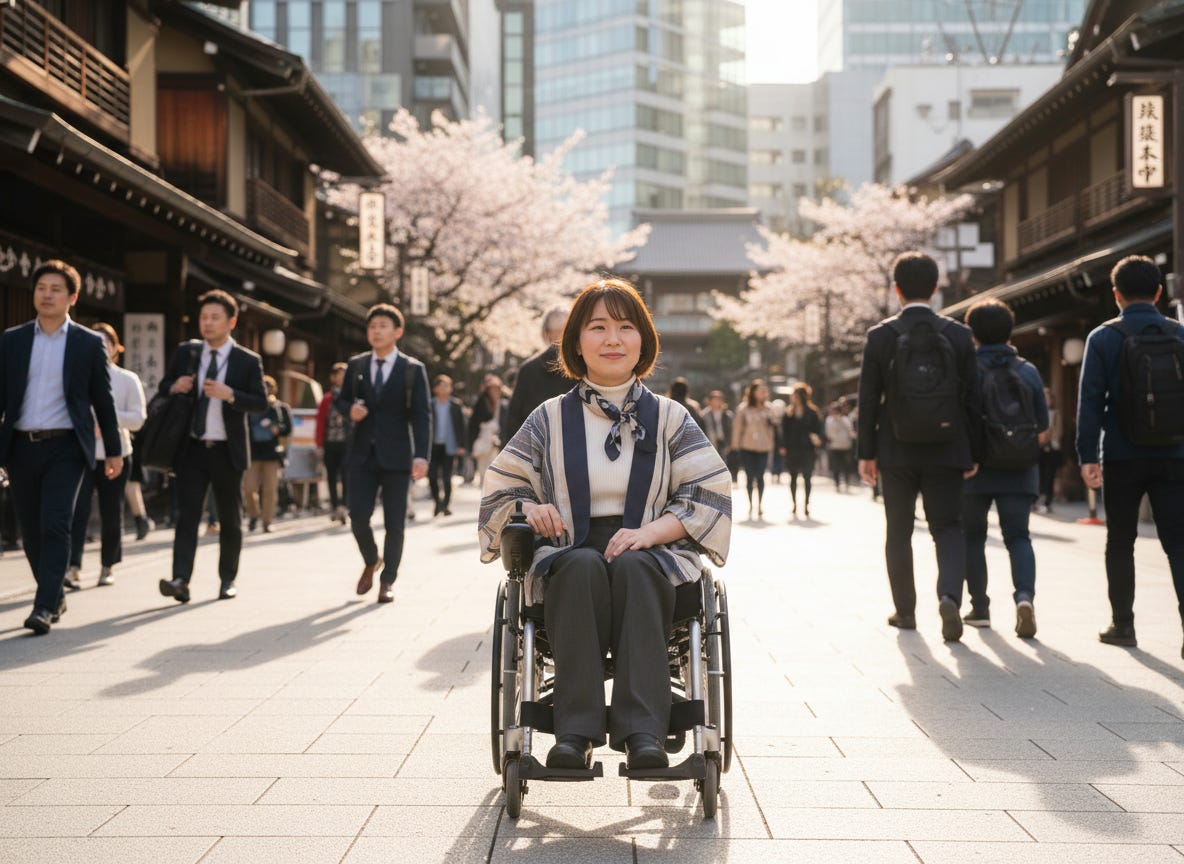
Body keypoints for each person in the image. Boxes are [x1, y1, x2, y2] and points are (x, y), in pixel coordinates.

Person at [478, 277, 731, 772]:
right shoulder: (548, 419)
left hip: (654, 550)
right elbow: (502, 486)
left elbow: (709, 492)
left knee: (635, 568)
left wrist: (651, 533)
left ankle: (645, 733)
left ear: (644, 340)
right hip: (568, 549)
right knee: (580, 568)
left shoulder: (671, 419)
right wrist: (530, 509)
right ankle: (574, 733)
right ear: (575, 342)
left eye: (625, 326)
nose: (612, 339)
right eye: (598, 327)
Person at [857, 252, 981, 642]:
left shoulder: (881, 336)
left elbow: (868, 399)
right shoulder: (959, 335)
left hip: (896, 450)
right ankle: (949, 596)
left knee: (899, 529)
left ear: (896, 289)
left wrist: (865, 453)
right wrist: (972, 451)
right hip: (947, 447)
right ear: (936, 287)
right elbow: (973, 400)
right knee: (947, 526)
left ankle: (906, 612)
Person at [0, 260, 123, 634]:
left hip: (66, 447)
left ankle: (42, 606)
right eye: (41, 288)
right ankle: (54, 594)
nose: (47, 295)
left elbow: (103, 401)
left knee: (56, 523)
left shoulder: (87, 344)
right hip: (21, 445)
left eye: (56, 289)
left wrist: (114, 450)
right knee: (31, 530)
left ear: (72, 297)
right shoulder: (12, 340)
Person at [1076, 255, 1184, 653]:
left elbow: (1090, 401)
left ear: (1116, 294)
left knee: (1120, 541)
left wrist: (1087, 454)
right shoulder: (1179, 333)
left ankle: (1123, 626)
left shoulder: (1104, 337)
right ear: (1158, 292)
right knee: (1179, 541)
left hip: (1121, 454)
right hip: (1175, 452)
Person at [157, 290, 267, 604]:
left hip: (226, 449)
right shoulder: (187, 353)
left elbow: (260, 403)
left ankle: (227, 578)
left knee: (230, 518)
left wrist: (229, 394)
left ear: (231, 321)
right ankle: (180, 579)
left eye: (215, 317)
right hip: (191, 447)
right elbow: (165, 385)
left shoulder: (247, 360)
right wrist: (175, 386)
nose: (207, 323)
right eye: (204, 317)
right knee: (187, 516)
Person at [960, 299, 1048, 638]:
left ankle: (979, 608)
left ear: (973, 333)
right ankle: (1024, 598)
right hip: (1019, 466)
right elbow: (1041, 422)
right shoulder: (1027, 371)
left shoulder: (968, 369)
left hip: (975, 468)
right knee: (1019, 537)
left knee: (973, 538)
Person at [336, 304, 430, 603]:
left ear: (397, 332)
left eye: (383, 326)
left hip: (398, 455)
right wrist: (349, 409)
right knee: (357, 516)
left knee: (394, 523)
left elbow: (421, 415)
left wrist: (421, 455)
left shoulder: (413, 370)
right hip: (362, 454)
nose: (376, 331)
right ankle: (371, 559)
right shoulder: (357, 365)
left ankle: (388, 579)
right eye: (372, 326)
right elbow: (341, 400)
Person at [65, 323, 146, 589]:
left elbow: (138, 418)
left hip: (117, 452)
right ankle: (73, 565)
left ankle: (107, 565)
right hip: (82, 452)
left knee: (112, 511)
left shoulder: (127, 379)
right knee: (78, 511)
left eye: (105, 344)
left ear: (115, 348)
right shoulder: (76, 376)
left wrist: (109, 420)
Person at [506, 307, 571, 438]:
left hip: (536, 447)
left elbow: (513, 421)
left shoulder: (527, 370)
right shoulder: (583, 367)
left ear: (546, 334)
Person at [243, 375, 293, 533]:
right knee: (249, 488)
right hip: (253, 453)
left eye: (268, 387)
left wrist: (278, 429)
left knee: (270, 489)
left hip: (271, 453)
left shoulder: (279, 407)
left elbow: (288, 428)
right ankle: (253, 514)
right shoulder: (250, 407)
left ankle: (267, 521)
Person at [731, 379, 777, 518]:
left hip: (763, 447)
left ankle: (760, 505)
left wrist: (773, 444)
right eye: (760, 390)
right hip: (747, 446)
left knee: (761, 476)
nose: (764, 393)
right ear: (753, 392)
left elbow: (773, 429)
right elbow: (737, 428)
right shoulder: (743, 408)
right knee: (750, 476)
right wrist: (735, 445)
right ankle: (751, 505)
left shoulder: (769, 409)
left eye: (765, 390)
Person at [781, 383, 822, 518]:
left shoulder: (812, 412)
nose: (794, 397)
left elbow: (819, 430)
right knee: (792, 478)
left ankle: (806, 505)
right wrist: (783, 447)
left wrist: (816, 438)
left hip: (807, 449)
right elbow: (784, 432)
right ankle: (794, 505)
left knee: (807, 478)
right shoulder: (788, 413)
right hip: (792, 449)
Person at [316, 362, 350, 524]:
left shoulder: (352, 396)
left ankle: (344, 506)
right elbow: (320, 422)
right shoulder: (327, 399)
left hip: (347, 443)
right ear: (333, 377)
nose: (342, 378)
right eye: (339, 375)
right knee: (331, 476)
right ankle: (334, 506)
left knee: (346, 475)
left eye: (345, 375)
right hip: (330, 442)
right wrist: (319, 444)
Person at [428, 374, 466, 517]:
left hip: (449, 445)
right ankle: (437, 502)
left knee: (447, 476)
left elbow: (462, 426)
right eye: (441, 386)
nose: (444, 389)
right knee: (432, 476)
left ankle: (446, 504)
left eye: (447, 386)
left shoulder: (455, 405)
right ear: (435, 389)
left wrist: (461, 445)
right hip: (433, 446)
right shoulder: (430, 404)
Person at [468, 373, 509, 486]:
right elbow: (473, 425)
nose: (495, 392)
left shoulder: (504, 405)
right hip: (483, 441)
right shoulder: (481, 404)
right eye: (492, 389)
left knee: (495, 470)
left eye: (497, 389)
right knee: (483, 469)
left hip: (498, 443)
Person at [1037, 387, 1063, 514]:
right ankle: (1035, 501)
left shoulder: (1055, 413)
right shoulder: (1035, 412)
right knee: (1038, 475)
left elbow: (1058, 431)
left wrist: (1049, 439)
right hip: (1038, 448)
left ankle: (1047, 501)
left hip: (1051, 448)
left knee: (1049, 476)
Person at [701, 390, 734, 476]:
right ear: (710, 400)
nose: (718, 401)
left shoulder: (727, 414)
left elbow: (730, 429)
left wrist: (730, 443)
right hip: (709, 442)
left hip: (722, 441)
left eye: (719, 399)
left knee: (723, 463)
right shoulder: (704, 414)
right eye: (715, 399)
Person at [824, 401, 855, 491]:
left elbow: (850, 431)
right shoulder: (829, 420)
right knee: (835, 466)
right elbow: (828, 432)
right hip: (834, 446)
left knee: (846, 466)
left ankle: (847, 482)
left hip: (845, 446)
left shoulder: (845, 420)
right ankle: (837, 483)